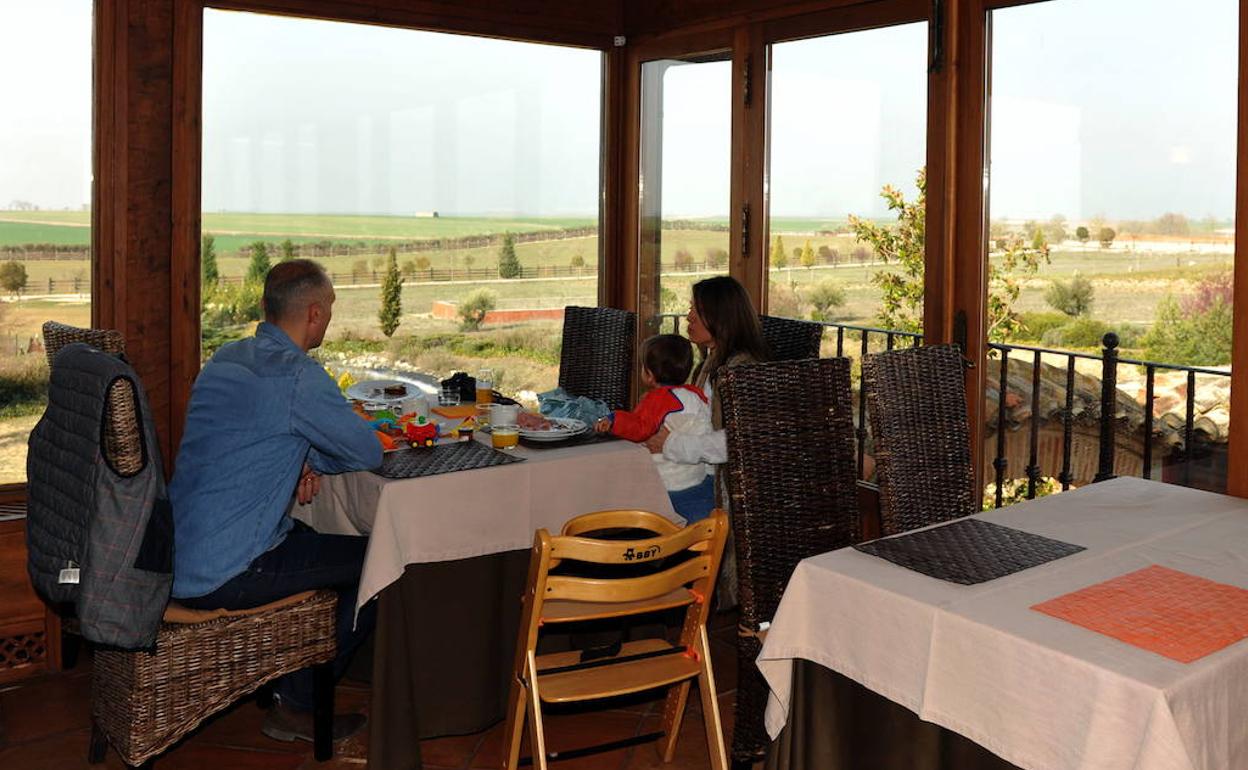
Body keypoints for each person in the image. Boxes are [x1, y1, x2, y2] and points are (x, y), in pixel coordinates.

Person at [169, 259, 383, 743]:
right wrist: (314, 457)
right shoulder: (297, 377)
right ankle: (298, 706)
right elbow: (365, 450)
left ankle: (289, 678)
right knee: (381, 563)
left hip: (178, 550)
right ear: (313, 313)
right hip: (229, 568)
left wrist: (300, 458)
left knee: (319, 541)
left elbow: (249, 438)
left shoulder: (226, 357)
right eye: (329, 308)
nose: (329, 317)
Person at [644, 276, 768, 608]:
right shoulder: (711, 363)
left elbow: (736, 441)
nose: (688, 317)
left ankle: (659, 604)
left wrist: (670, 445)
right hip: (698, 479)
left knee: (641, 518)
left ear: (719, 316)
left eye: (695, 310)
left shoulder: (741, 370)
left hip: (718, 491)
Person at [594, 334, 714, 523]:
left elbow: (640, 429)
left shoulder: (658, 400)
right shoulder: (696, 395)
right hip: (697, 480)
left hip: (667, 487)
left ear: (649, 375)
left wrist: (614, 419)